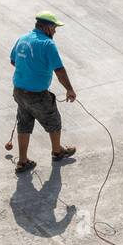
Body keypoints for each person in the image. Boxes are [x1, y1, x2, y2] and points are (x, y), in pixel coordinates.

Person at [10, 11, 77, 174]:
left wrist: (29, 70)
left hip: (19, 91)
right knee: (53, 120)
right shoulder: (48, 44)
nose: (55, 31)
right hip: (37, 94)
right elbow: (59, 70)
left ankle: (22, 161)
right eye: (54, 28)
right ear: (47, 27)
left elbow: (13, 60)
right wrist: (69, 89)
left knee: (24, 124)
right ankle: (57, 151)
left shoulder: (23, 38)